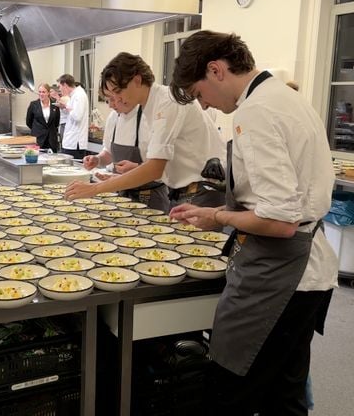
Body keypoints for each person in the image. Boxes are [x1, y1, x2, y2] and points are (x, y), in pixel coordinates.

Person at [168, 30, 337, 415]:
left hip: (280, 275)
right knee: (284, 394)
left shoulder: (255, 111)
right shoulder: (283, 97)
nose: (206, 105)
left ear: (216, 70)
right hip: (308, 272)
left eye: (200, 94)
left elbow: (279, 221)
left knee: (232, 391)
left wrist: (217, 216)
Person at [65, 52, 226, 210]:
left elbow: (155, 168)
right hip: (183, 191)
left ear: (137, 79)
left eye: (118, 91)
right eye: (111, 95)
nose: (116, 100)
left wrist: (94, 189)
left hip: (201, 191)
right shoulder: (151, 105)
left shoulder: (167, 101)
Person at [82, 88, 169, 211]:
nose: (111, 105)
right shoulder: (113, 118)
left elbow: (161, 166)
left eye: (113, 99)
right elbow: (108, 153)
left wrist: (137, 167)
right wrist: (97, 159)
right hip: (121, 193)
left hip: (148, 195)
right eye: (107, 101)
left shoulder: (147, 117)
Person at [56, 74, 89, 159]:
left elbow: (77, 116)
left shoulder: (79, 95)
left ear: (65, 85)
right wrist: (64, 107)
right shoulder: (74, 95)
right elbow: (70, 114)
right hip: (70, 141)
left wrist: (66, 105)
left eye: (60, 87)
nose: (59, 89)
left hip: (75, 143)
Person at [26, 83, 60, 152]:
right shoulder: (33, 105)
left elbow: (56, 122)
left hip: (51, 140)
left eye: (43, 92)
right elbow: (29, 122)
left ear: (48, 93)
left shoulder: (55, 105)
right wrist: (38, 129)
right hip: (38, 139)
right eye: (40, 92)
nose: (41, 94)